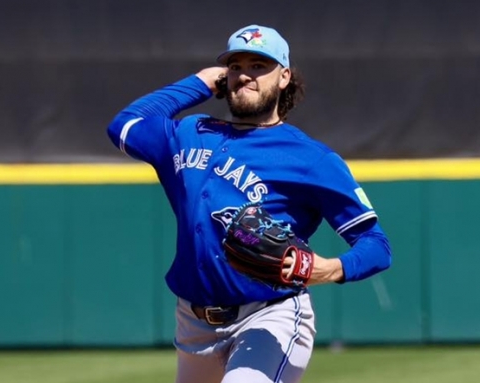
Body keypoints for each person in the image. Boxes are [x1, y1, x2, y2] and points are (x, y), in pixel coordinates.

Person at [107, 24, 392, 383]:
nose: (245, 75)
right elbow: (124, 125)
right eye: (236, 65)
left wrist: (331, 268)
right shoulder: (189, 133)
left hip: (270, 315)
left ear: (284, 77)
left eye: (259, 65)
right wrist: (199, 82)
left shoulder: (310, 158)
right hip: (194, 323)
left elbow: (377, 246)